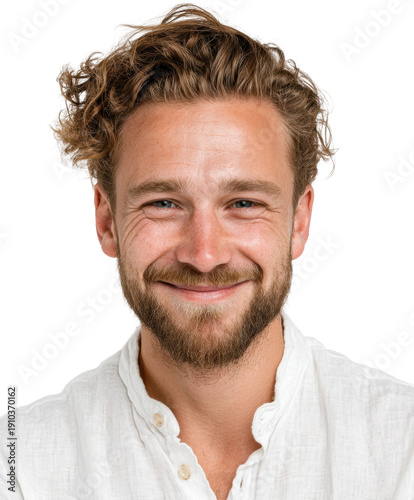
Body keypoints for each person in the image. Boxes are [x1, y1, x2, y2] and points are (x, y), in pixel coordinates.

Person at [1, 3, 413, 499]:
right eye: (163, 203)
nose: (204, 254)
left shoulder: (402, 451)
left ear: (299, 222)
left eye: (243, 203)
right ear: (107, 221)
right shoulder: (19, 467)